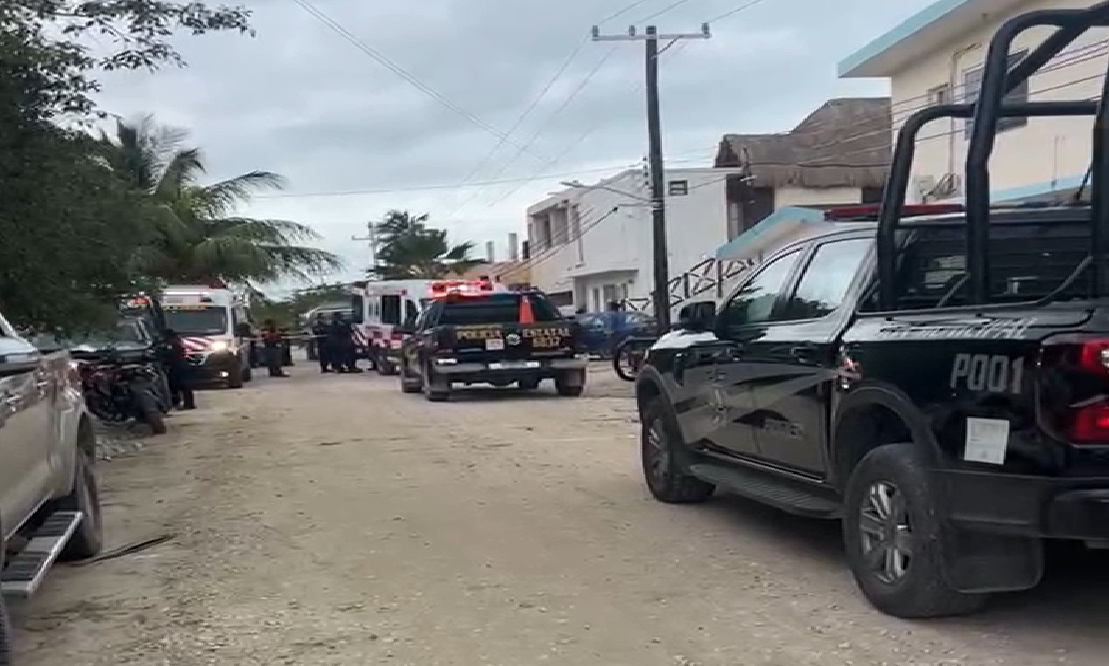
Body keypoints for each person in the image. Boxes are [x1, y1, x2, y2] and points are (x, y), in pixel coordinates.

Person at [163, 329, 196, 410]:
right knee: (185, 385)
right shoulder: (177, 341)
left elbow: (171, 354)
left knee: (182, 385)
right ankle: (188, 403)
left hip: (178, 365)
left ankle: (186, 404)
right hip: (182, 364)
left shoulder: (173, 343)